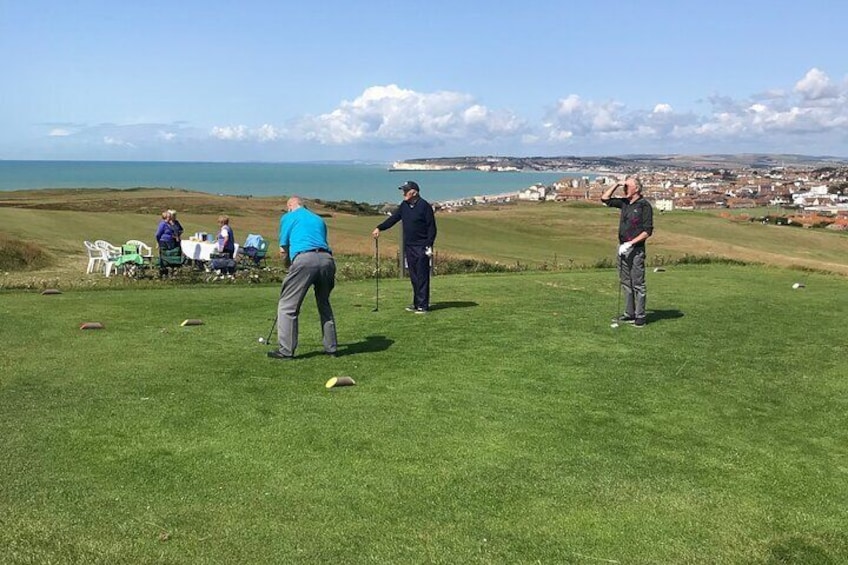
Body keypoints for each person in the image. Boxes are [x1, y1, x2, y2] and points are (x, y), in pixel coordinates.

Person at [268, 196, 337, 360]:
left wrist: (288, 265)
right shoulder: (318, 219)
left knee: (287, 306)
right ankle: (331, 348)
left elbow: (283, 249)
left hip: (304, 259)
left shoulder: (288, 217)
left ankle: (286, 351)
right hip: (327, 260)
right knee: (324, 303)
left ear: (290, 206)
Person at [371, 180, 437, 313]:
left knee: (422, 275)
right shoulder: (404, 205)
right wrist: (380, 227)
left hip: (422, 245)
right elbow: (394, 219)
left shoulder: (424, 206)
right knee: (413, 276)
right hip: (409, 245)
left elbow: (432, 228)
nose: (403, 194)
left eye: (406, 191)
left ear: (414, 192)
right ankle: (417, 302)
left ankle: (423, 305)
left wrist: (429, 245)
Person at [601, 176, 654, 327]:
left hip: (636, 249)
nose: (625, 189)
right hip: (622, 247)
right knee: (625, 282)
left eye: (627, 186)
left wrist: (630, 244)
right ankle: (629, 313)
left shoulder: (644, 206)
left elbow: (647, 231)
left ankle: (640, 316)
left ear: (636, 189)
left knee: (638, 283)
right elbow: (605, 199)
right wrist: (617, 184)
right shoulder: (624, 203)